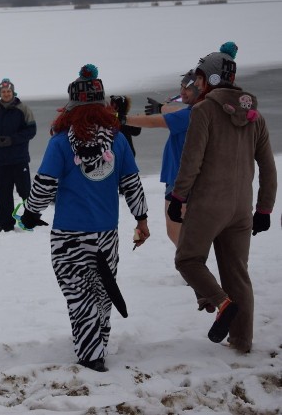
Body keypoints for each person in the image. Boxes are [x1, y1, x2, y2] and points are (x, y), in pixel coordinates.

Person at [21, 64, 150, 373]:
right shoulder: (117, 141)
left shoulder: (61, 143)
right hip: (107, 234)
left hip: (69, 236)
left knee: (78, 293)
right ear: (103, 105)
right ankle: (98, 341)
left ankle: (91, 357)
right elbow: (131, 182)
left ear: (71, 108)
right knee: (102, 290)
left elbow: (44, 186)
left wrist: (29, 213)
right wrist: (141, 219)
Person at [167, 42, 276, 353]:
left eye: (200, 77)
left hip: (207, 206)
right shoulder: (256, 117)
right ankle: (242, 341)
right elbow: (268, 168)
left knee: (188, 260)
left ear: (211, 79)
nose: (197, 83)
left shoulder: (204, 111)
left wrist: (178, 197)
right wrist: (264, 209)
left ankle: (221, 304)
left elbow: (192, 161)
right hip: (241, 208)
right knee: (237, 273)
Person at [125, 70, 201, 246]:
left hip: (180, 181)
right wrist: (161, 108)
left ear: (199, 89)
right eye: (181, 87)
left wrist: (121, 119)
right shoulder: (195, 112)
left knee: (177, 232)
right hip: (181, 179)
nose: (182, 92)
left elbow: (153, 122)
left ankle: (191, 265)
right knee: (181, 233)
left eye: (187, 89)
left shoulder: (189, 116)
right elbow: (175, 111)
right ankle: (191, 263)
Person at [0, 78, 37, 232]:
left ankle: (30, 220)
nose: (6, 94)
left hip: (19, 159)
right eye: (3, 92)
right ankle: (5, 225)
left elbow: (31, 131)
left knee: (25, 192)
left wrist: (12, 140)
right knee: (4, 194)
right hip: (2, 160)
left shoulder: (24, 109)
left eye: (8, 91)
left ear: (13, 92)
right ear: (0, 93)